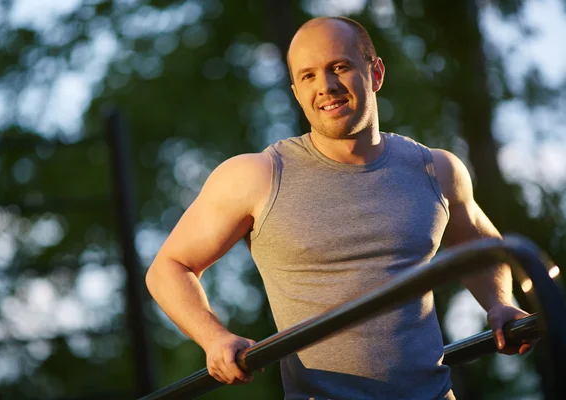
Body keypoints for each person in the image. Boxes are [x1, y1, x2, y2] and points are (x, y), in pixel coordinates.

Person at [146, 16, 534, 400]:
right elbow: (169, 268)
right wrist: (214, 338)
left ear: (376, 73)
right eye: (309, 76)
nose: (326, 87)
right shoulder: (256, 176)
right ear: (296, 91)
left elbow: (481, 248)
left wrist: (501, 304)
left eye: (339, 67)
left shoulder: (437, 169)